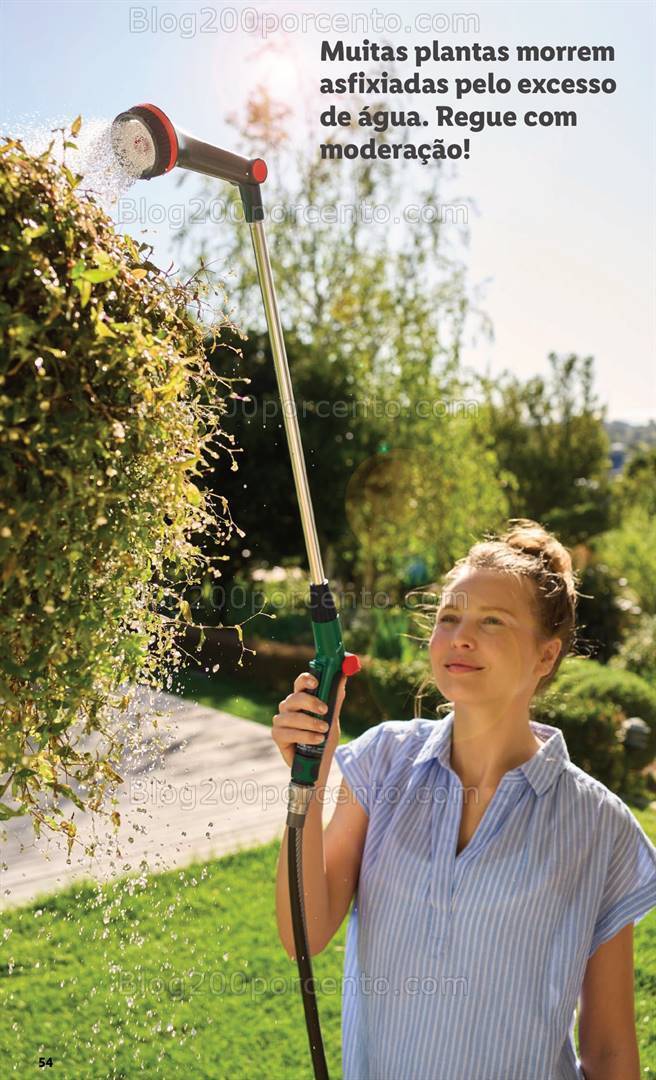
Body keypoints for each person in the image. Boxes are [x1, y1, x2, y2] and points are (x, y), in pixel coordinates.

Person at [273, 519, 656, 1080]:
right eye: (448, 618)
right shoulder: (382, 762)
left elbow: (609, 1050)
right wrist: (309, 774)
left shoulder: (601, 826)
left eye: (491, 622)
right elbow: (302, 934)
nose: (460, 637)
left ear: (545, 657)